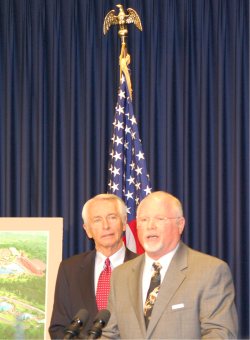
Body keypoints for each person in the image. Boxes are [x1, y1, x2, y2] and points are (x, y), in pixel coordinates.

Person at [102, 191, 238, 339]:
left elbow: (220, 334)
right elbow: (110, 334)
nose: (150, 226)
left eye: (159, 219)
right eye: (143, 220)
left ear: (180, 225)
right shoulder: (121, 275)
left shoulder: (210, 271)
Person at [49, 193, 137, 339]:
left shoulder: (145, 267)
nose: (106, 225)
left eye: (112, 217)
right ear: (87, 230)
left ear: (124, 223)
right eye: (97, 220)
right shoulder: (69, 269)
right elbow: (59, 328)